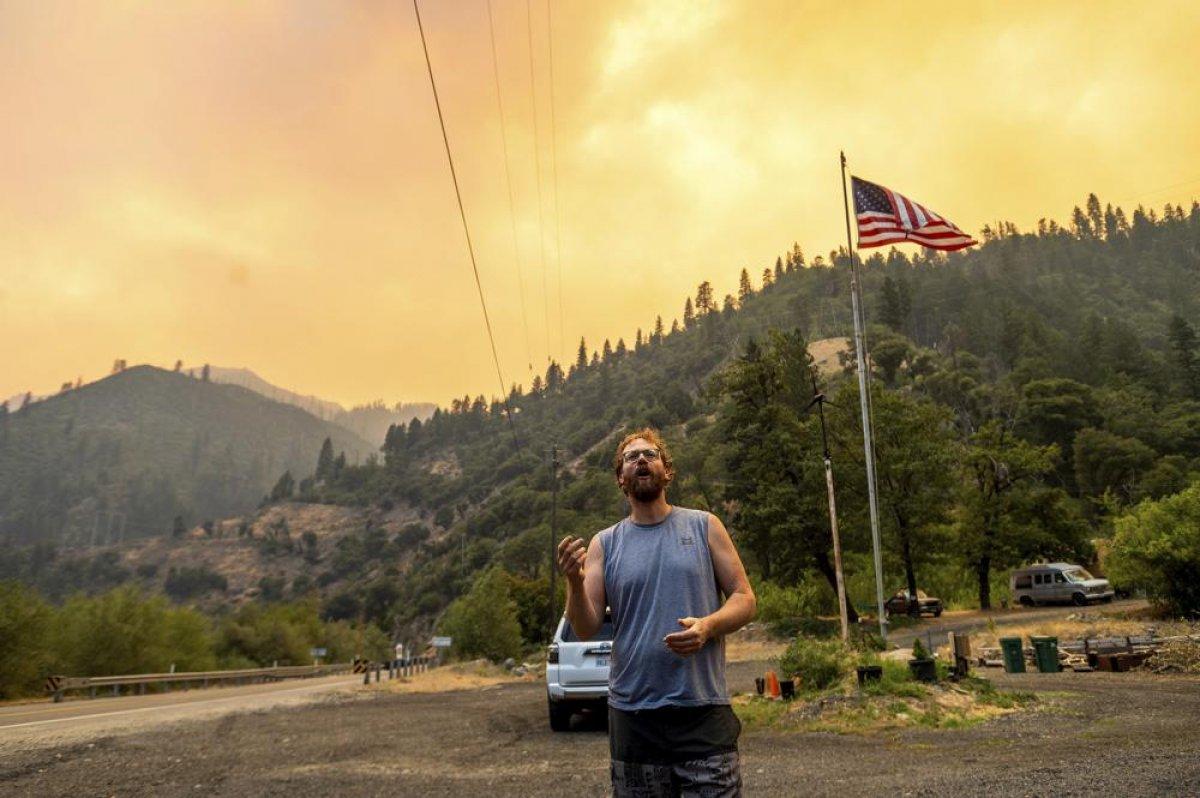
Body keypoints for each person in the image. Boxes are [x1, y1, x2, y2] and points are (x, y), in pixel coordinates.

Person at [557, 428, 756, 798]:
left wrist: (708, 626)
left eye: (650, 454)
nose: (641, 460)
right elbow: (585, 627)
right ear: (621, 479)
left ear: (667, 471)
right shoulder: (606, 543)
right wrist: (573, 580)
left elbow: (745, 598)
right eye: (631, 458)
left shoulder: (705, 526)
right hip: (634, 716)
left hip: (702, 709)